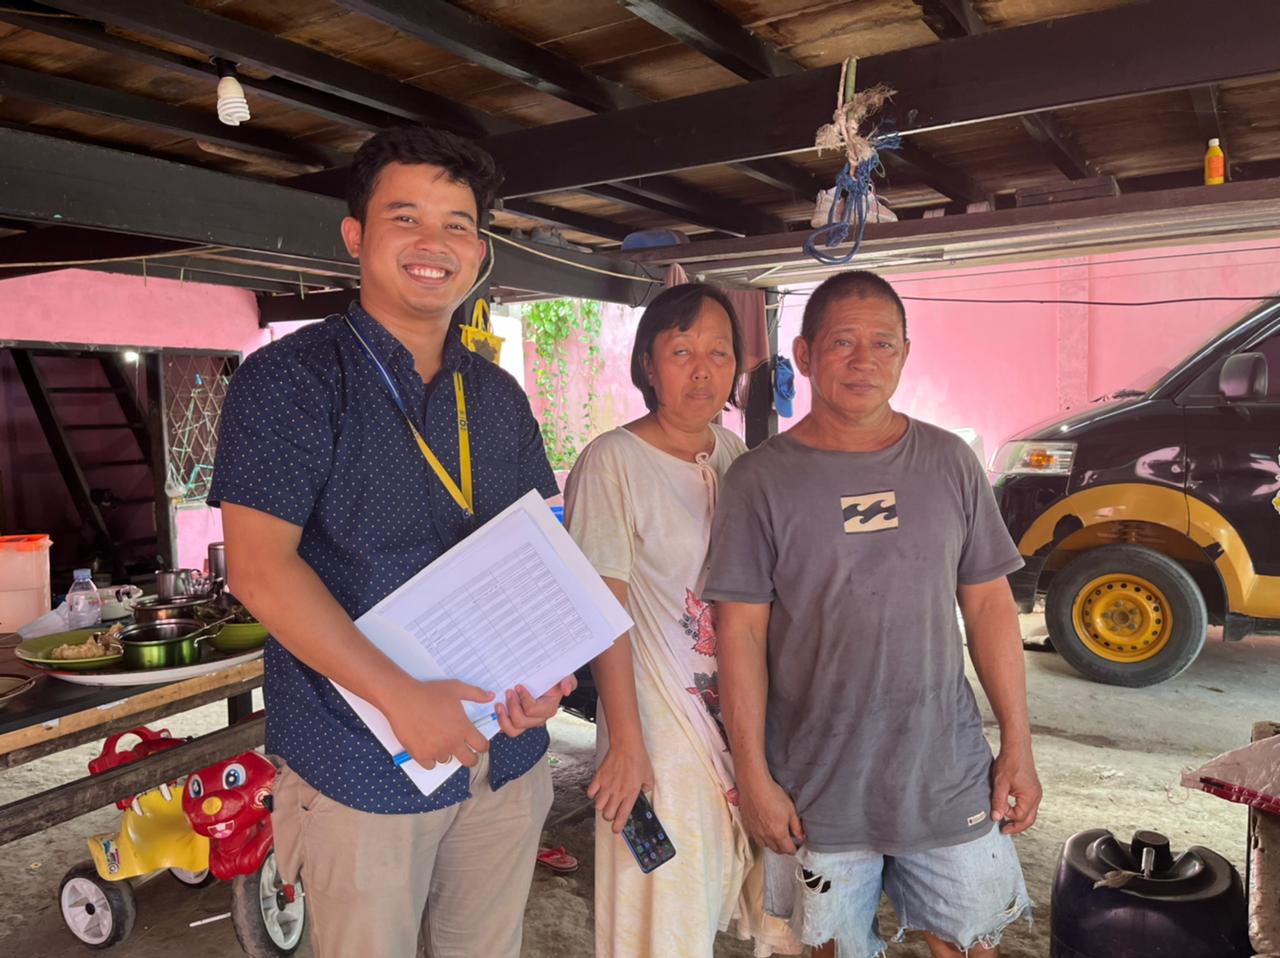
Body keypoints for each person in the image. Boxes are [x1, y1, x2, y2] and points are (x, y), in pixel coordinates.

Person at [208, 126, 574, 958]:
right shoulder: (292, 380)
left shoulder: (497, 396)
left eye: (456, 224)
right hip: (360, 763)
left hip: (505, 750)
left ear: (478, 251)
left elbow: (541, 549)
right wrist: (400, 697)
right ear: (355, 236)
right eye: (405, 218)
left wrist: (552, 670)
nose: (433, 243)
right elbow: (259, 570)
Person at [705, 271, 1041, 958]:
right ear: (804, 354)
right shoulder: (760, 480)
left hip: (944, 768)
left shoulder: (949, 462)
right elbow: (739, 632)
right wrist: (754, 776)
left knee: (969, 945)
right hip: (816, 779)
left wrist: (1018, 743)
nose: (864, 360)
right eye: (843, 342)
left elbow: (988, 606)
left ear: (905, 354)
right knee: (831, 948)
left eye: (883, 343)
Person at [564, 283, 799, 957]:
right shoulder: (613, 461)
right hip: (657, 729)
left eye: (719, 353)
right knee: (660, 917)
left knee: (745, 895)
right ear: (647, 363)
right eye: (681, 352)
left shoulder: (734, 457)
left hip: (735, 722)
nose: (702, 371)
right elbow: (602, 608)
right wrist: (625, 743)